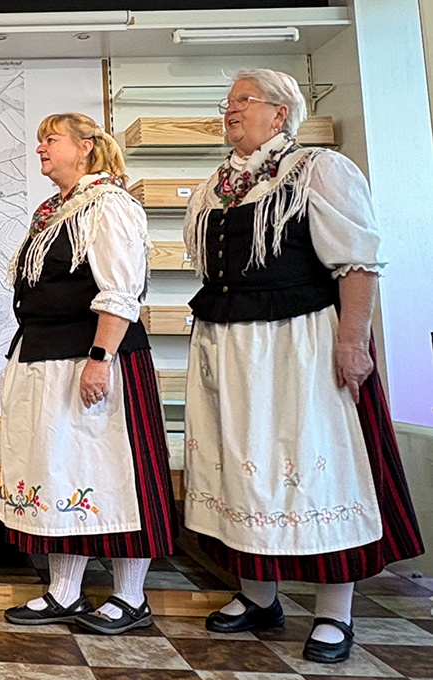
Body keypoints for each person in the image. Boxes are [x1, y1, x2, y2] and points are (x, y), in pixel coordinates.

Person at [182, 68, 423, 663]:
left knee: (319, 467)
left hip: (298, 346)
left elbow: (357, 263)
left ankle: (335, 613)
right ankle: (258, 596)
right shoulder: (219, 186)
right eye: (228, 100)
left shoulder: (318, 169)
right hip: (229, 348)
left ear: (280, 112)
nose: (230, 109)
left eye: (243, 99)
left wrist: (353, 341)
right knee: (243, 469)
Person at [0, 113, 177, 635]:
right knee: (61, 473)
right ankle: (65, 592)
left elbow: (121, 288)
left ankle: (131, 596)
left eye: (50, 140)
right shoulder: (57, 211)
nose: (41, 148)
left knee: (116, 472)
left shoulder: (109, 205)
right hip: (49, 357)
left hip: (93, 358)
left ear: (86, 147)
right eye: (40, 141)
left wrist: (100, 358)